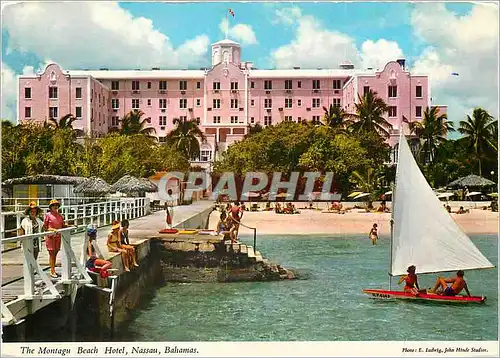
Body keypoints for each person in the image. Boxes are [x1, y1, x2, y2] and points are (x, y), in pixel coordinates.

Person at [43, 199, 66, 278]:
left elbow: (63, 225)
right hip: (50, 237)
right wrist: (52, 229)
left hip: (58, 236)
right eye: (53, 205)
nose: (55, 207)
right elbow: (45, 227)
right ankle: (52, 270)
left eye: (56, 205)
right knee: (51, 254)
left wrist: (71, 226)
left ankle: (53, 269)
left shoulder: (60, 215)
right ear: (51, 207)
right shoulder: (48, 215)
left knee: (55, 253)